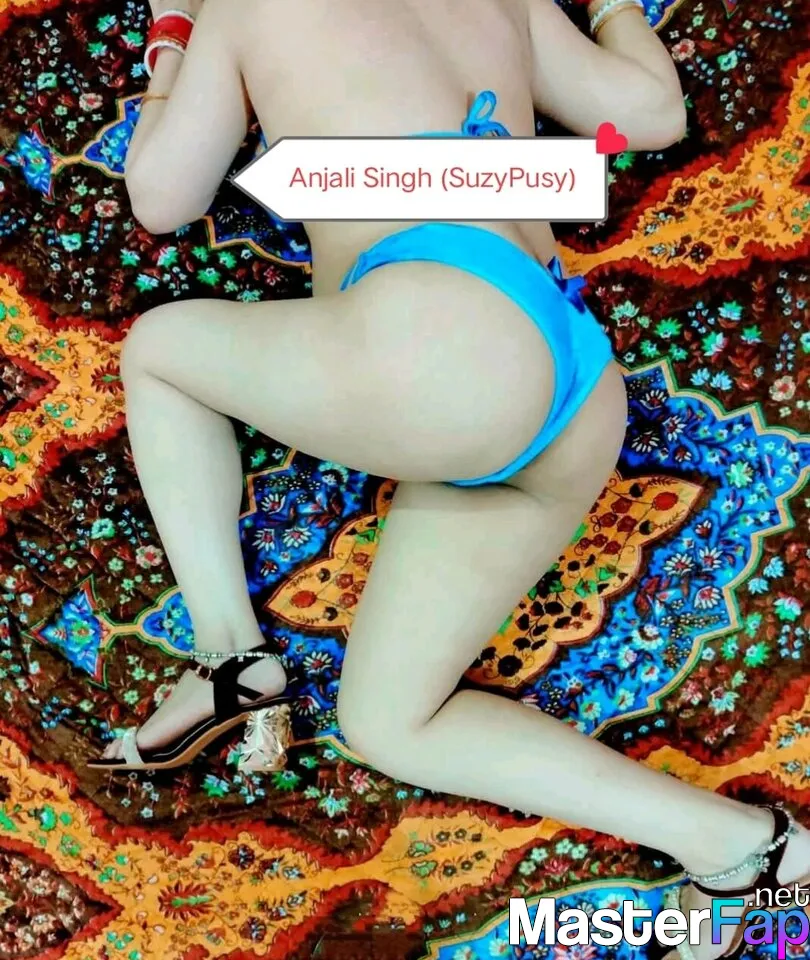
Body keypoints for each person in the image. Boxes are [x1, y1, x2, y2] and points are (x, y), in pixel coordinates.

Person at [88, 0, 810, 956]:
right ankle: (752, 853)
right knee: (390, 721)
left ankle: (228, 654)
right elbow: (652, 113)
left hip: (444, 351)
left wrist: (173, 41)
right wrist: (605, 7)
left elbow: (161, 197)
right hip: (575, 377)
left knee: (158, 349)